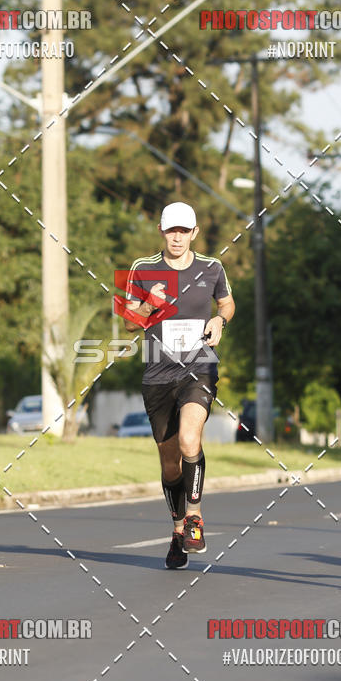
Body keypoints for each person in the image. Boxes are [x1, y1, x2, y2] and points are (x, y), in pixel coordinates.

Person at [121, 202, 235, 569]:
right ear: (161, 231)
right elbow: (127, 323)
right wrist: (151, 303)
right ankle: (177, 530)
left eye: (184, 231)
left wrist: (220, 320)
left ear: (194, 233)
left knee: (190, 438)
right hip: (157, 373)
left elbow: (228, 303)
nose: (177, 237)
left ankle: (195, 518)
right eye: (172, 230)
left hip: (198, 367)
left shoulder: (212, 267)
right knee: (170, 465)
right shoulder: (144, 268)